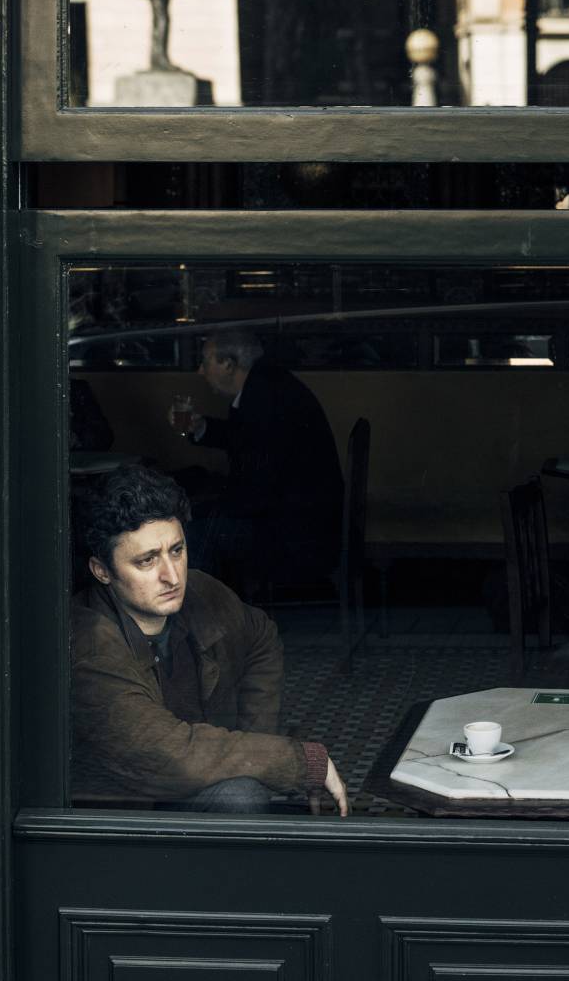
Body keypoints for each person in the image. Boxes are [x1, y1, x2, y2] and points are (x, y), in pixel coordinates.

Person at [72, 465, 348, 815]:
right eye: (146, 561)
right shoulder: (89, 646)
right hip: (124, 810)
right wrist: (296, 761)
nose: (171, 576)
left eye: (177, 550)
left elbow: (260, 636)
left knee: (247, 789)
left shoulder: (200, 594)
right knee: (240, 797)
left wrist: (256, 744)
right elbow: (166, 754)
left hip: (191, 777)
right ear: (102, 571)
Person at [182, 328, 344, 583]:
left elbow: (257, 482)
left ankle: (205, 617)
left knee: (193, 533)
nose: (200, 371)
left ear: (228, 364)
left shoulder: (264, 396)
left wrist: (208, 504)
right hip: (301, 521)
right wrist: (202, 428)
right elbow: (247, 441)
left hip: (297, 535)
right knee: (199, 517)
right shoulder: (266, 384)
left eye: (205, 362)